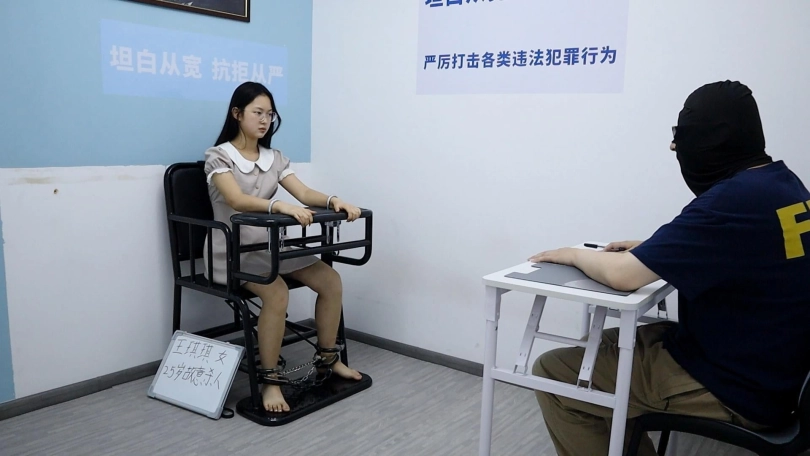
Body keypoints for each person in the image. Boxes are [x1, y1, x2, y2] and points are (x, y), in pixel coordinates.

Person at [527, 80, 810, 455]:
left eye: (685, 136)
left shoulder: (731, 200)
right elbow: (744, 249)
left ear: (712, 140)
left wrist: (572, 254)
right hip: (774, 370)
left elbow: (623, 276)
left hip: (734, 385)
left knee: (554, 374)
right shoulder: (782, 184)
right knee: (602, 345)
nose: (676, 147)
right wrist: (657, 250)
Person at [203, 81, 363, 413]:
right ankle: (271, 382)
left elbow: (303, 194)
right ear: (237, 114)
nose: (265, 120)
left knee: (330, 280)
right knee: (276, 293)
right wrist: (279, 206)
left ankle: (329, 360)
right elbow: (236, 199)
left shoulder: (274, 158)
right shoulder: (219, 156)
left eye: (270, 114)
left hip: (268, 248)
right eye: (257, 113)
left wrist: (334, 200)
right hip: (231, 253)